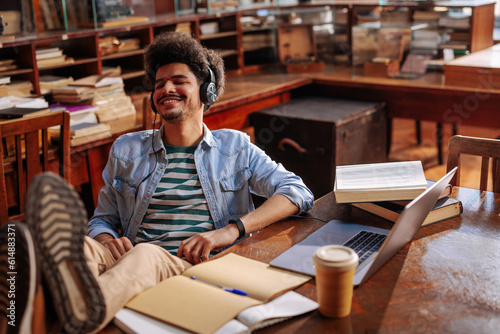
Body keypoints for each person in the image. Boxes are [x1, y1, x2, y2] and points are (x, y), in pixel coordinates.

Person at [4, 31, 314, 334]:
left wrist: (230, 230)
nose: (166, 89)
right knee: (68, 247)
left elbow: (297, 192)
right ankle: (33, 318)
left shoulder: (235, 147)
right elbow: (103, 219)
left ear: (207, 91)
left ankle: (79, 312)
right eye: (159, 84)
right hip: (127, 262)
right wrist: (105, 240)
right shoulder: (126, 149)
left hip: (196, 268)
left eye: (179, 81)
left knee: (146, 254)